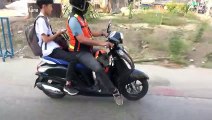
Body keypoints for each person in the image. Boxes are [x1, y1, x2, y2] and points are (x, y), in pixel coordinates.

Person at [67, 0, 123, 105]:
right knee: (98, 68)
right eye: (85, 3)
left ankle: (100, 81)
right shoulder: (74, 20)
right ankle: (114, 92)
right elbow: (82, 39)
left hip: (87, 48)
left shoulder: (80, 17)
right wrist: (102, 43)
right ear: (79, 4)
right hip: (80, 52)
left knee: (105, 55)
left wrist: (102, 33)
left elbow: (88, 32)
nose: (87, 5)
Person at [35, 0, 78, 95]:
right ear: (44, 6)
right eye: (50, 6)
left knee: (75, 52)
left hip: (53, 46)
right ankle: (68, 85)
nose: (52, 8)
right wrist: (58, 33)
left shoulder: (44, 18)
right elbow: (45, 39)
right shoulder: (41, 20)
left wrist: (58, 32)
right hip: (50, 50)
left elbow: (48, 34)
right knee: (73, 59)